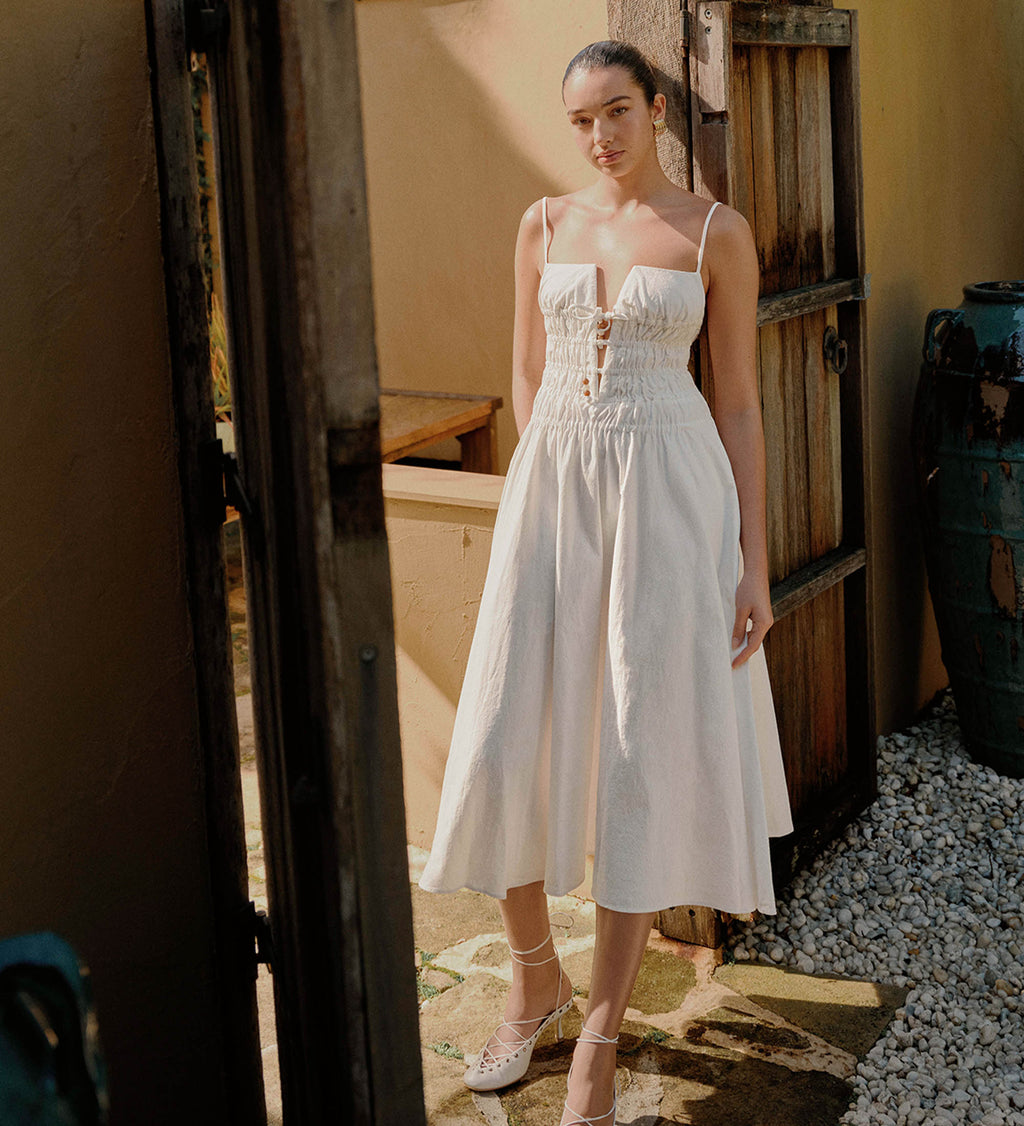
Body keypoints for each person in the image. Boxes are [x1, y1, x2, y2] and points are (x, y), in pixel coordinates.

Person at [418, 39, 794, 1126]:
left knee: (638, 748)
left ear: (659, 107)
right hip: (555, 499)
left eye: (618, 112)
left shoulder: (716, 234)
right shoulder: (540, 224)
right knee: (505, 737)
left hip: (672, 504)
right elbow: (527, 369)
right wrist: (543, 487)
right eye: (581, 119)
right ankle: (535, 977)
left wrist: (752, 562)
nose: (600, 137)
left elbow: (735, 404)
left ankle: (598, 1032)